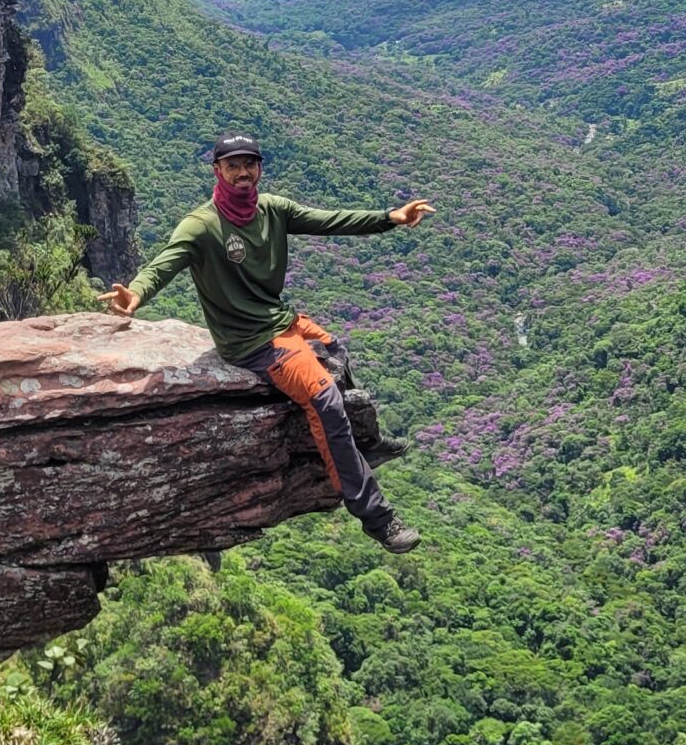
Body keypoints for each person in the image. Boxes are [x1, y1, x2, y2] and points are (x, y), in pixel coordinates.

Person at [97, 131, 435, 553]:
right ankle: (376, 517)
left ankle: (364, 441)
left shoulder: (272, 210)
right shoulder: (201, 226)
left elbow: (329, 220)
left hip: (280, 321)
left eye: (249, 164)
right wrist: (136, 293)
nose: (242, 172)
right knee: (325, 398)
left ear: (259, 168)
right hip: (253, 343)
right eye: (232, 165)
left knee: (334, 347)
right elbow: (164, 263)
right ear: (217, 171)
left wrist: (391, 218)